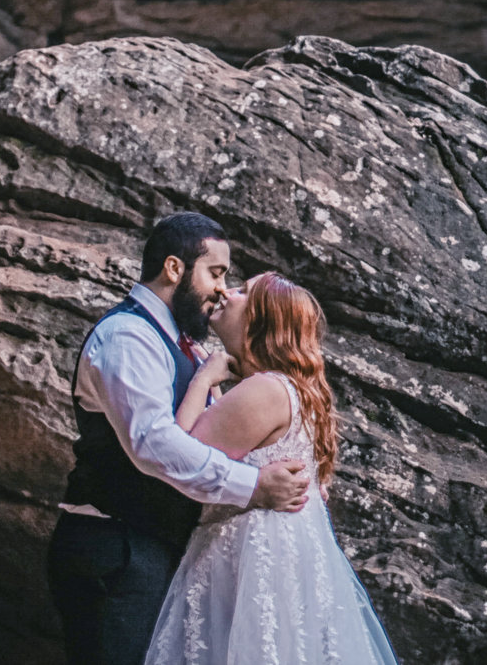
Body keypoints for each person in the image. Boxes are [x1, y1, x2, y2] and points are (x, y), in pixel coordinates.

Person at [49, 213, 316, 665]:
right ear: (174, 268)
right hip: (115, 547)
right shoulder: (128, 337)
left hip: (148, 549)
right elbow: (154, 446)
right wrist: (254, 486)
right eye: (215, 272)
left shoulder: (179, 343)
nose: (221, 288)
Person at [145, 273, 400, 665]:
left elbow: (178, 457)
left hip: (251, 560)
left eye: (245, 291)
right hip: (283, 558)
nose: (226, 292)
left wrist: (204, 378)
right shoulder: (291, 391)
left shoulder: (264, 390)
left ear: (263, 319)